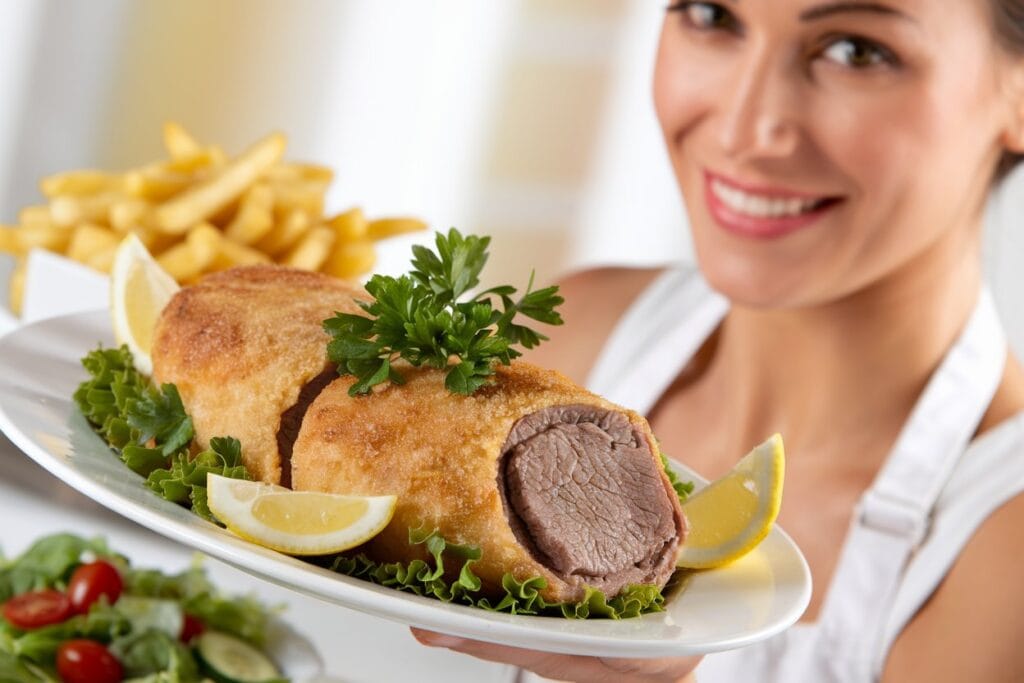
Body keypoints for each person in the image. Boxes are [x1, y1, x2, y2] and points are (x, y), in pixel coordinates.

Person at [414, 0, 1024, 680]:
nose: (743, 129)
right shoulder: (575, 337)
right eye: (711, 15)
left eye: (855, 51)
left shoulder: (1007, 552)